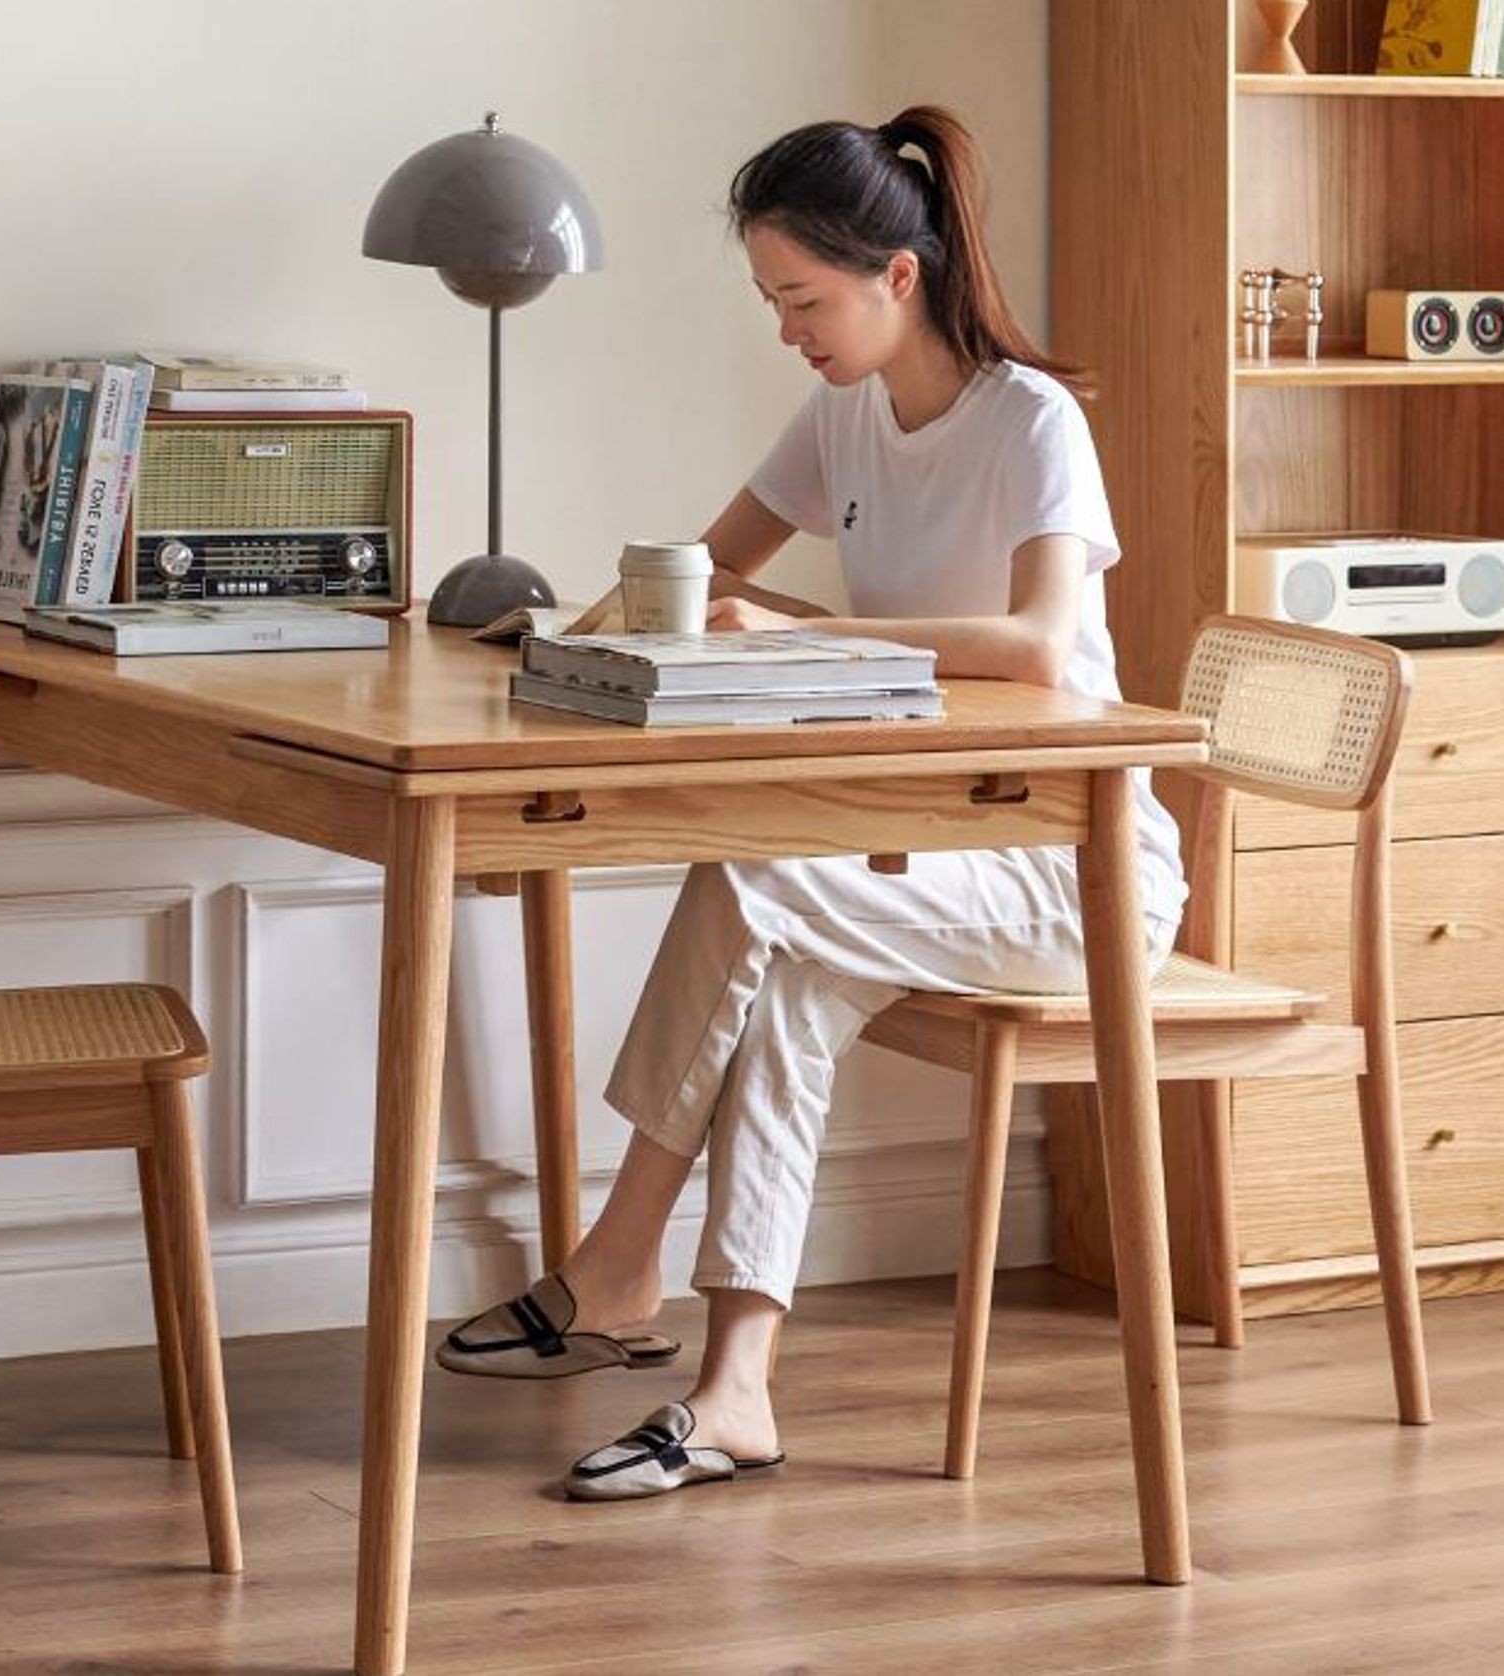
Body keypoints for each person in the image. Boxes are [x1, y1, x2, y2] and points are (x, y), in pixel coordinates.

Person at [435, 105, 1187, 1501]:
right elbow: (710, 567)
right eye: (772, 300)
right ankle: (733, 1394)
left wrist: (792, 635)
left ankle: (616, 1262)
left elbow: (1033, 643)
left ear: (899, 277)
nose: (789, 328)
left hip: (1067, 871)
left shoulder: (1034, 423)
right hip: (921, 857)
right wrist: (576, 633)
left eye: (805, 298)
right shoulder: (843, 412)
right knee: (779, 985)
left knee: (752, 879)